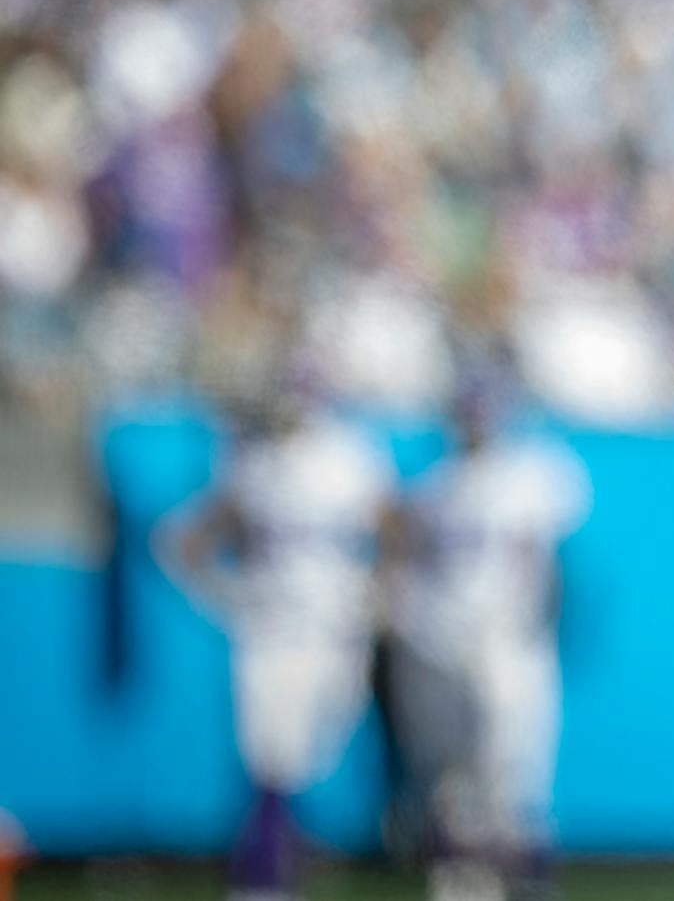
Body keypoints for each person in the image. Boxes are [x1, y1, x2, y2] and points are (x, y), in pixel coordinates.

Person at [161, 369, 396, 901]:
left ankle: (284, 849)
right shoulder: (254, 462)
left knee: (318, 742)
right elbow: (186, 540)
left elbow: (393, 531)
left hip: (337, 630)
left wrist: (383, 591)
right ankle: (264, 872)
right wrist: (227, 596)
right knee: (271, 752)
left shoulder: (352, 457)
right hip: (272, 629)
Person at [380, 352, 591, 901]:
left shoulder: (538, 473)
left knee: (516, 767)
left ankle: (525, 877)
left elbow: (555, 566)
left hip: (512, 643)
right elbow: (406, 563)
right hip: (442, 642)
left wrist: (536, 627)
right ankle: (464, 876)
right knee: (452, 772)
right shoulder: (434, 487)